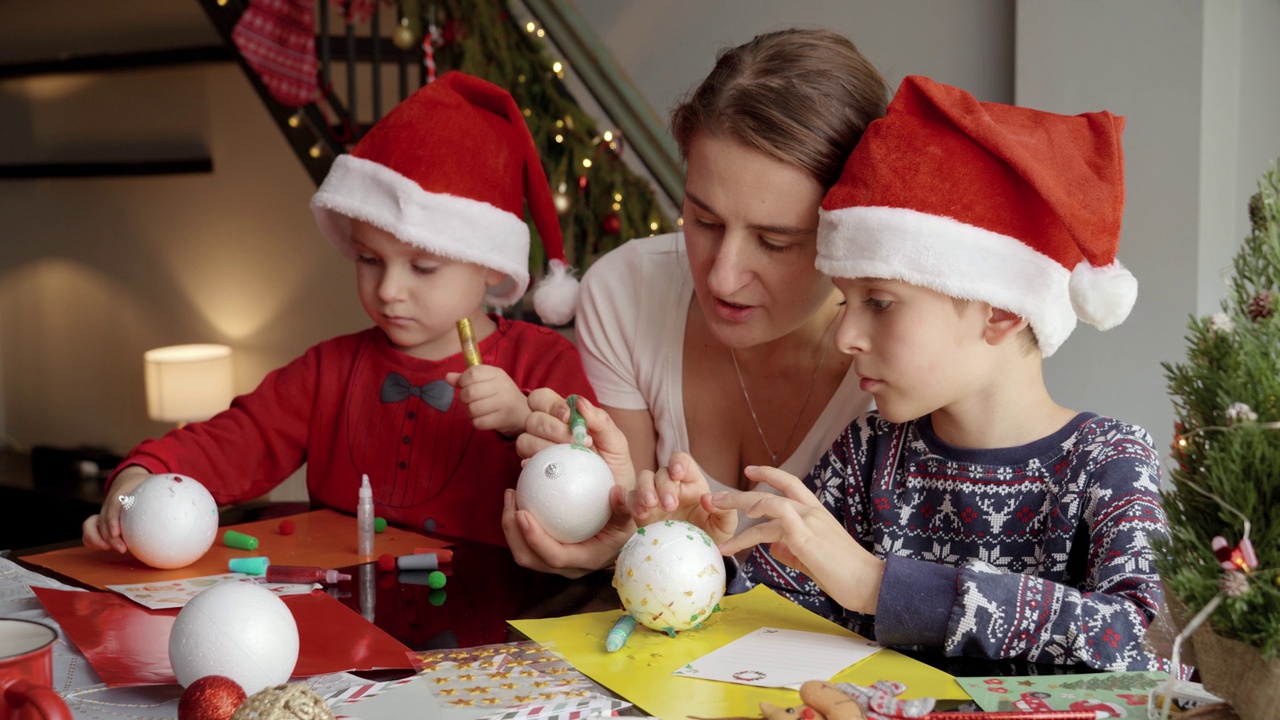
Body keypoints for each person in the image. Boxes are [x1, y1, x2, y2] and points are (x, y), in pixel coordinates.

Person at [703, 75, 1170, 671]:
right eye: (845, 302)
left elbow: (1131, 639)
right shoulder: (867, 453)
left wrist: (879, 585)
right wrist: (700, 559)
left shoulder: (1110, 462)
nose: (846, 337)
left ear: (1000, 310)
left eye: (880, 301)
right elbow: (772, 606)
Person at [82, 72, 596, 551]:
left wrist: (521, 419)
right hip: (348, 629)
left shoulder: (545, 363)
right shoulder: (327, 372)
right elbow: (230, 444)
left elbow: (590, 492)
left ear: (489, 265)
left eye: (422, 267)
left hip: (494, 636)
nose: (389, 290)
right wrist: (134, 487)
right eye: (370, 260)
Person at [503, 28, 887, 575]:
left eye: (775, 242)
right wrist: (602, 537)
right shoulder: (626, 293)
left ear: (852, 233)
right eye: (703, 220)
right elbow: (636, 534)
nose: (723, 278)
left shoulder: (904, 358)